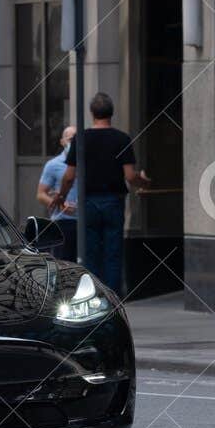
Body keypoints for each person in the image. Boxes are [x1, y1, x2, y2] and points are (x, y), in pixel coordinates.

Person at [59, 94, 150, 293]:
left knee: (90, 253)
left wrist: (61, 197)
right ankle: (113, 301)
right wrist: (142, 180)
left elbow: (69, 176)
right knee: (113, 254)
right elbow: (129, 176)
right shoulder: (122, 138)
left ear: (92, 113)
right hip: (113, 201)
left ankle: (93, 298)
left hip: (88, 201)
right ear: (112, 113)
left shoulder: (80, 139)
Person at [35, 125, 77, 261]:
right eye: (70, 140)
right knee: (64, 263)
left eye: (76, 140)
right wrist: (60, 204)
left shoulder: (87, 163)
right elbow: (41, 194)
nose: (73, 143)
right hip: (63, 221)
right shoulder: (53, 165)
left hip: (86, 221)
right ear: (62, 142)